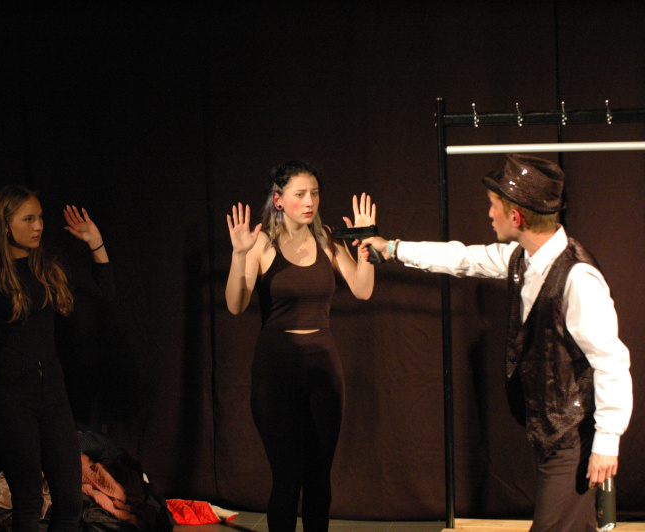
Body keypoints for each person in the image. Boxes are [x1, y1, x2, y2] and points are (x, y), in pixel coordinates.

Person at [362, 153, 633, 531]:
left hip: (574, 437)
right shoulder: (525, 259)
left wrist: (607, 442)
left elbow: (611, 361)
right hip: (549, 432)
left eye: (494, 206)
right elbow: (464, 258)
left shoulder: (578, 279)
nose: (489, 215)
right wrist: (393, 249)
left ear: (516, 217)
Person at [225, 160, 376, 532]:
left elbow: (362, 289)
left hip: (323, 370)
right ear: (278, 199)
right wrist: (239, 255)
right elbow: (236, 305)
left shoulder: (326, 238)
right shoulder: (262, 243)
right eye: (300, 194)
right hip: (276, 374)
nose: (310, 202)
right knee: (287, 477)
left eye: (315, 193)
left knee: (319, 478)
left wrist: (365, 245)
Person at [0, 184, 114, 531]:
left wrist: (95, 241)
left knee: (70, 501)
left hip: (53, 393)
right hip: (11, 396)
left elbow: (104, 291)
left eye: (40, 218)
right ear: (5, 225)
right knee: (29, 504)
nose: (39, 226)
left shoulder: (46, 265)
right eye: (28, 219)